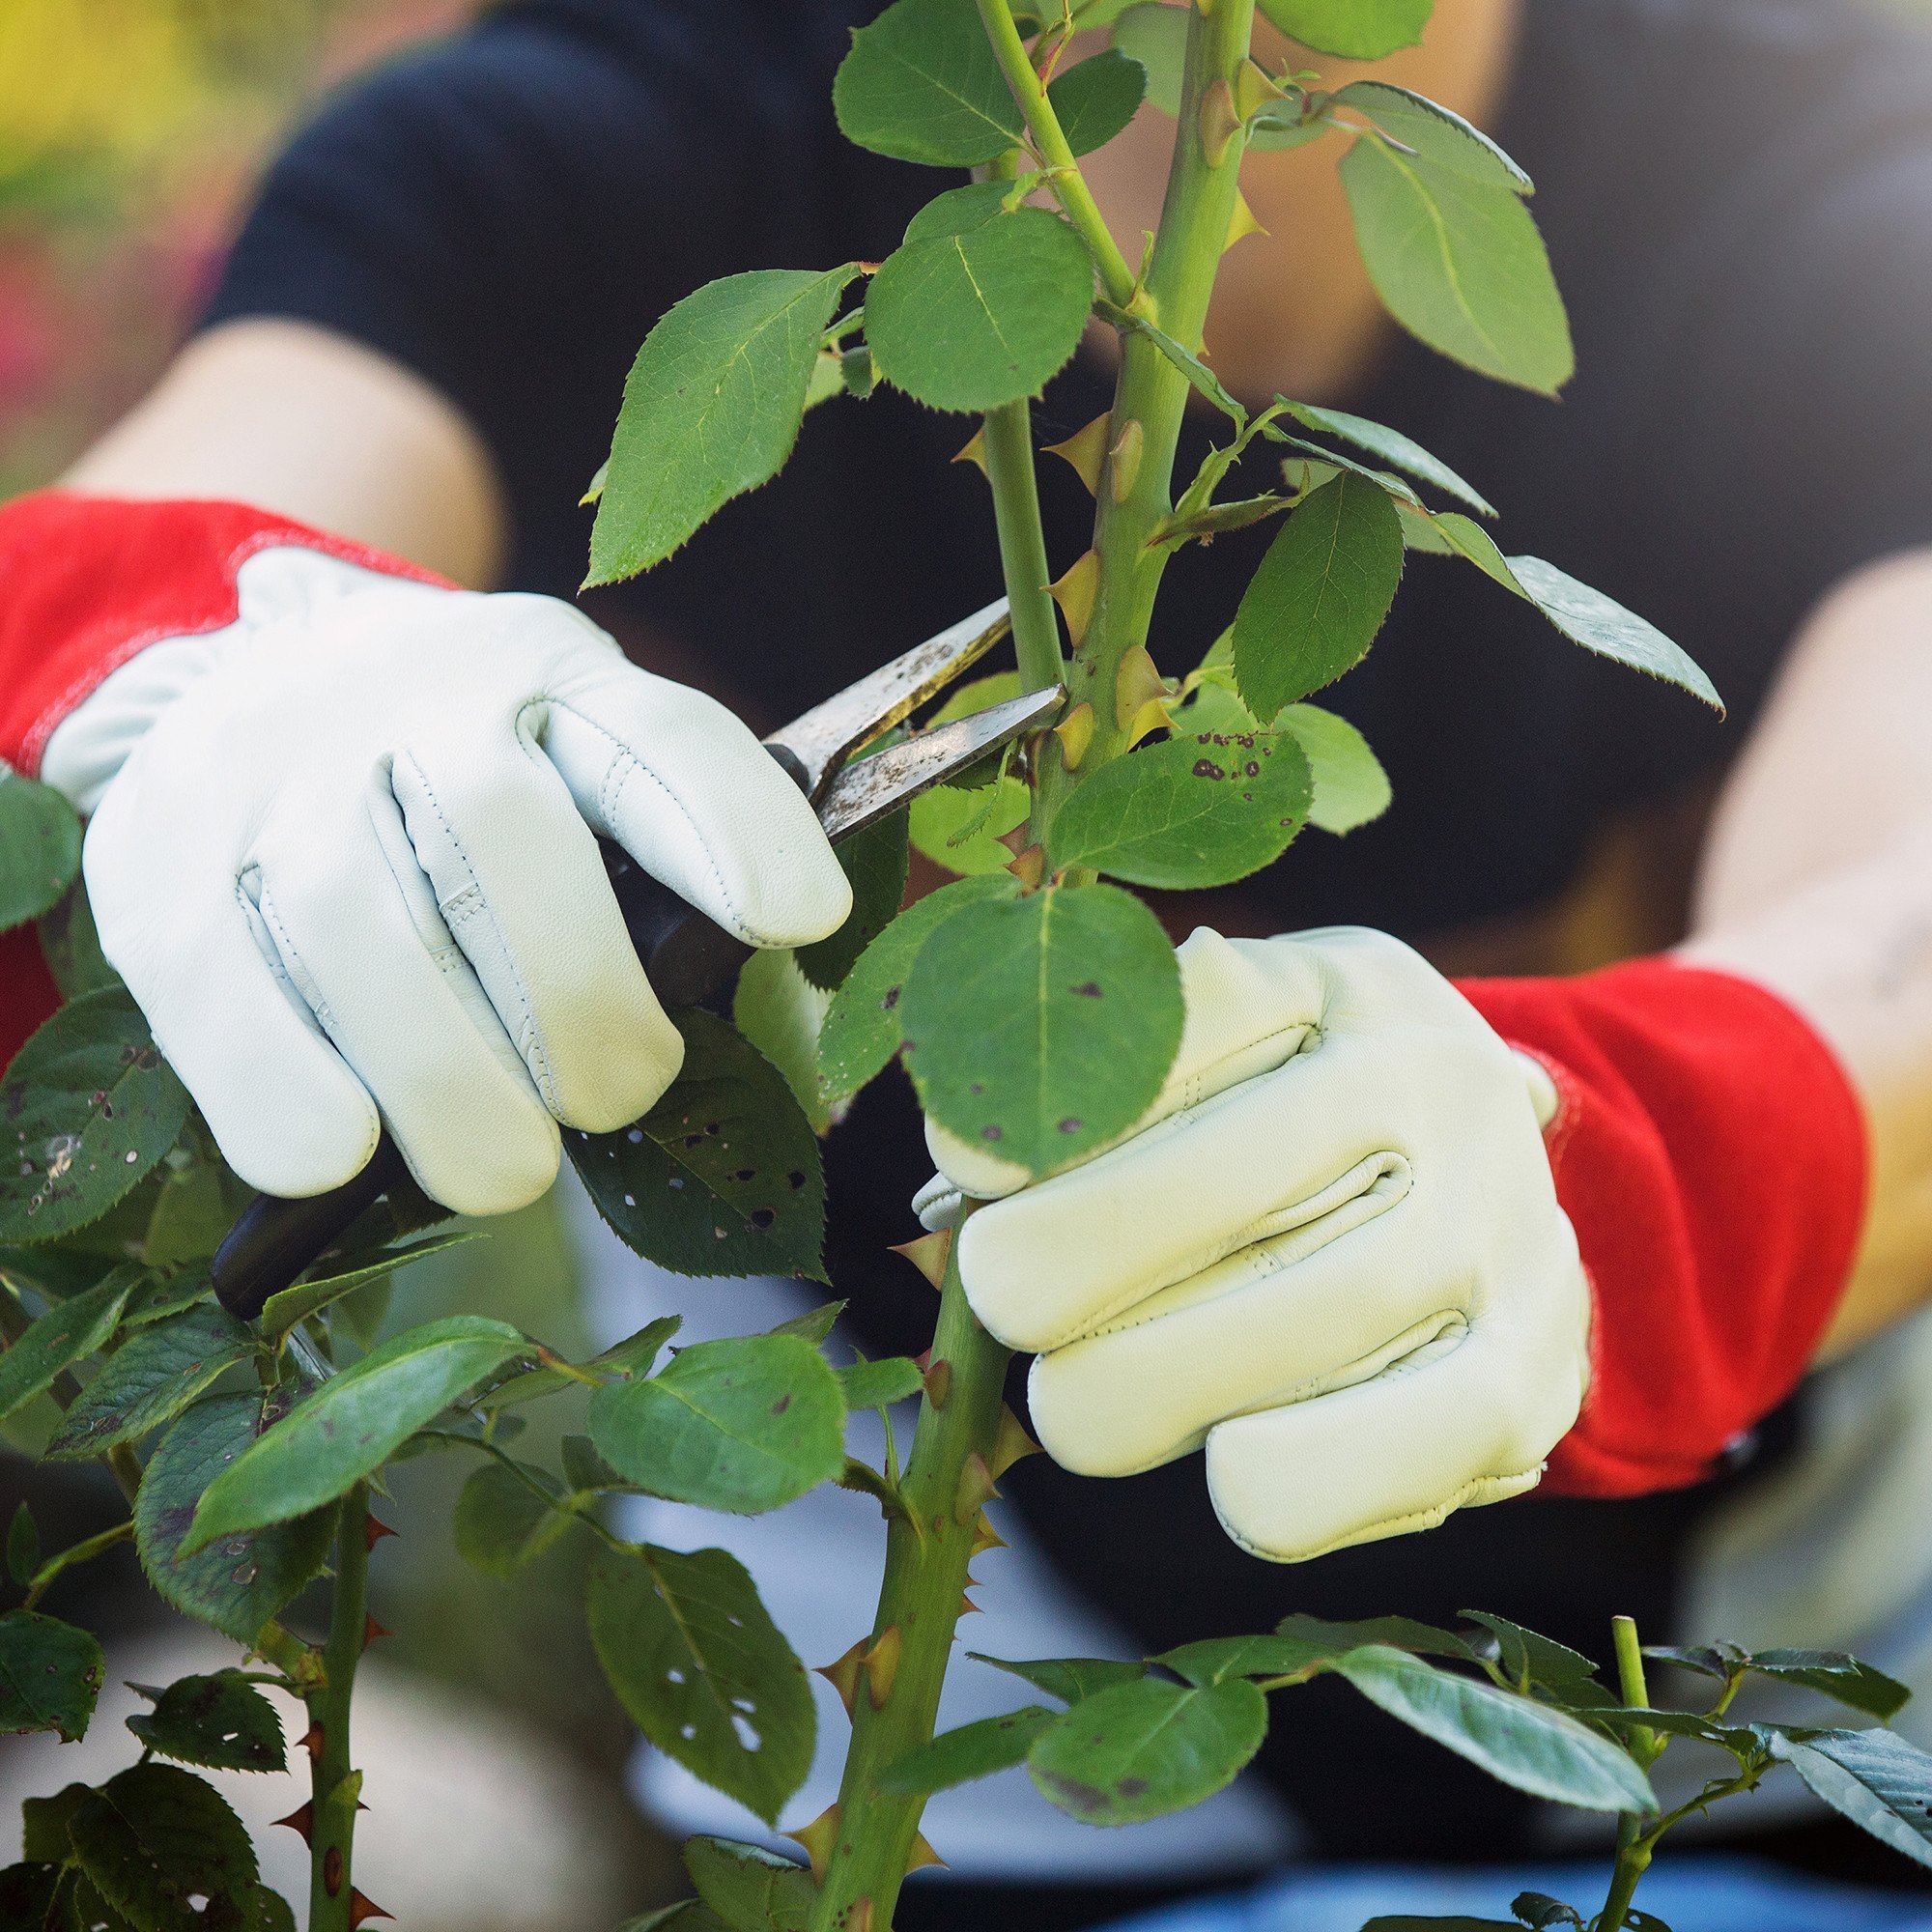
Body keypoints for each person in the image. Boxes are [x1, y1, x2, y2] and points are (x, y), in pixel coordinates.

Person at [6, 0, 1932, 1921]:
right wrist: (205, 646)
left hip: (1721, 1763)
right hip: (934, 1796)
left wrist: (1641, 1151)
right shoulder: (568, 153)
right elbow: (167, 517)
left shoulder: (1849, 194)